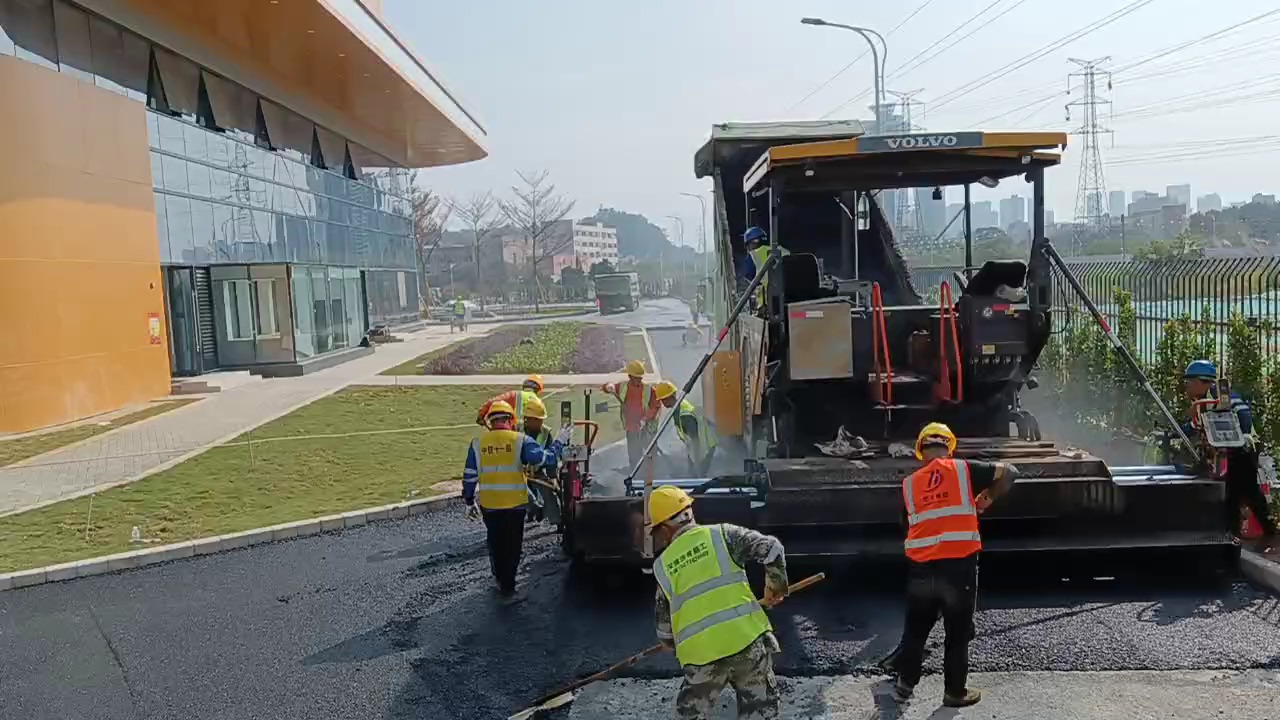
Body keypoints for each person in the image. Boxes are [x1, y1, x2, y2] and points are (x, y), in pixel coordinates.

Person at [890, 422, 1020, 708]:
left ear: (920, 452)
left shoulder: (909, 484)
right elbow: (1011, 472)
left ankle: (903, 686)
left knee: (916, 629)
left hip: (921, 569)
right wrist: (987, 498)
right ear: (949, 447)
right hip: (958, 568)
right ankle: (954, 693)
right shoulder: (963, 470)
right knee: (957, 632)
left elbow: (906, 525)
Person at [649, 485, 788, 720]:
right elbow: (772, 548)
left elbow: (664, 627)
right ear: (689, 511)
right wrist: (775, 585)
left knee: (691, 714)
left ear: (663, 529)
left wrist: (669, 642)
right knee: (760, 711)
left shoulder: (662, 566)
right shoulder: (723, 534)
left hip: (702, 657)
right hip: (746, 643)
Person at [462, 400, 573, 597]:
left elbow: (470, 475)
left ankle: (500, 577)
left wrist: (469, 501)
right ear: (510, 420)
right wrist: (560, 441)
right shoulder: (520, 440)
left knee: (496, 543)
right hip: (514, 506)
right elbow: (544, 458)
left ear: (491, 421)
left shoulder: (477, 444)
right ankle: (509, 585)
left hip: (490, 506)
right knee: (512, 546)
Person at [1182, 360, 1277, 550]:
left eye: (1188, 383)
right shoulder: (1205, 402)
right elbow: (1194, 426)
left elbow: (1243, 417)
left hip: (1242, 451)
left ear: (1200, 382)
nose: (1186, 389)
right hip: (1231, 452)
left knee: (1241, 492)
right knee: (1238, 494)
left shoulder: (1221, 396)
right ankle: (1240, 534)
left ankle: (1256, 534)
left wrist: (1237, 436)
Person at [601, 360, 661, 469]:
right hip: (632, 427)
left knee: (650, 454)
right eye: (636, 377)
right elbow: (606, 388)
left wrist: (645, 418)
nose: (639, 380)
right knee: (634, 454)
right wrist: (608, 386)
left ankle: (653, 474)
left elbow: (655, 406)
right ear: (630, 376)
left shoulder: (648, 389)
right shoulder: (623, 387)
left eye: (640, 378)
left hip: (647, 428)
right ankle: (636, 473)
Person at [654, 381, 718, 476]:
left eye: (663, 400)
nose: (662, 403)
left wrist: (696, 462)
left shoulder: (684, 415)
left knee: (699, 476)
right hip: (699, 447)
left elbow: (696, 440)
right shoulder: (679, 407)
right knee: (693, 474)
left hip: (704, 448)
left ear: (669, 398)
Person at [520, 394, 555, 524]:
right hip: (519, 472)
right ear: (528, 419)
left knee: (549, 492)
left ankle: (557, 521)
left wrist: (552, 477)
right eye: (537, 419)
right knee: (520, 490)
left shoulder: (546, 433)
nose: (541, 422)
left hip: (538, 471)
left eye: (541, 419)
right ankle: (534, 508)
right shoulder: (517, 431)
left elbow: (551, 456)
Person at [743, 227, 788, 310]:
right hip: (790, 300)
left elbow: (749, 276)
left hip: (769, 306)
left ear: (751, 243)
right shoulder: (783, 251)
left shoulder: (752, 257)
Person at [476, 374, 546, 426]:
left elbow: (492, 403)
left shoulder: (513, 395)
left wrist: (481, 416)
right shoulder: (539, 403)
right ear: (539, 390)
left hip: (512, 434)